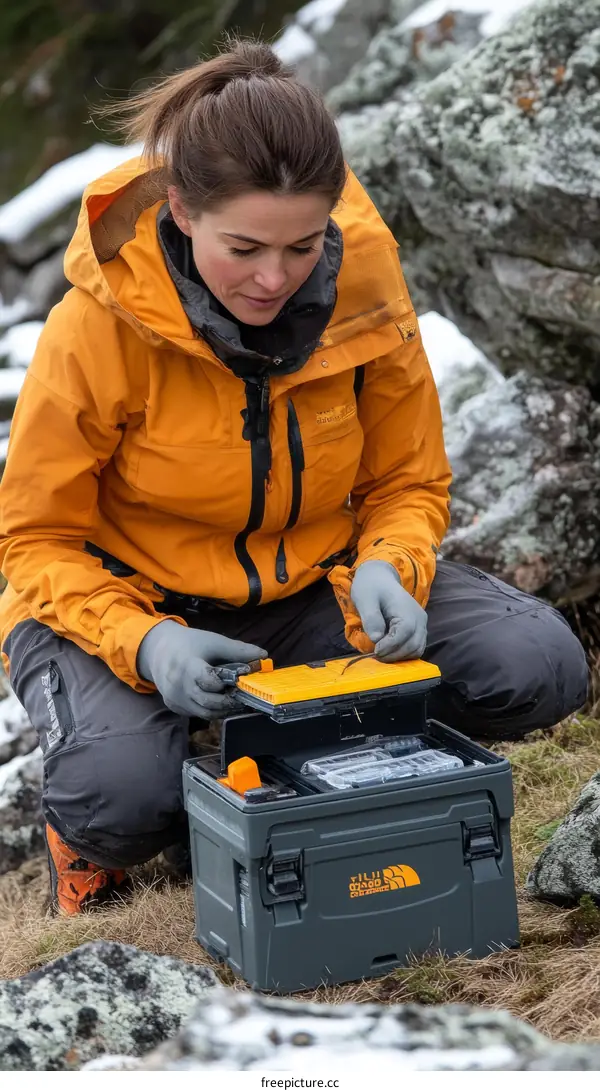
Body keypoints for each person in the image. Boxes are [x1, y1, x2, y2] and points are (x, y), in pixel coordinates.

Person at [0, 40, 588, 916]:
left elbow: (407, 479)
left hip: (308, 584)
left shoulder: (365, 281)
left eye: (303, 245)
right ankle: (129, 812)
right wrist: (146, 642)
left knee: (539, 666)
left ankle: (305, 762)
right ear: (182, 211)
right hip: (117, 602)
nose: (274, 278)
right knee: (118, 800)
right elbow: (33, 538)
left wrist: (392, 564)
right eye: (243, 247)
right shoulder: (98, 326)